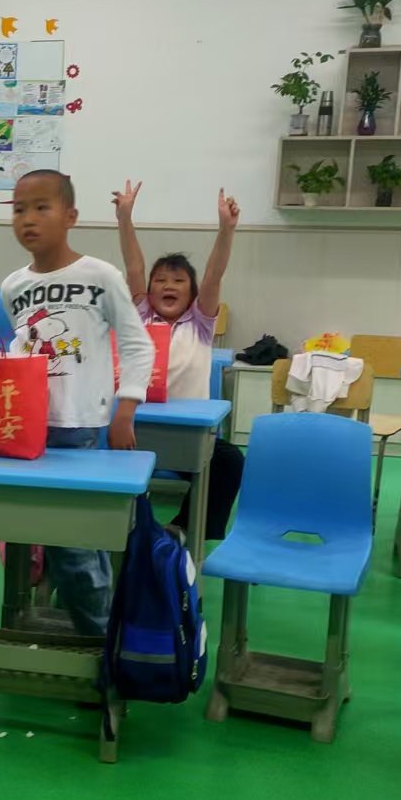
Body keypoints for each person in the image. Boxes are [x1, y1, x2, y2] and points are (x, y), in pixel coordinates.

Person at [0, 169, 155, 637]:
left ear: (71, 216)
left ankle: (100, 646)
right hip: (17, 428)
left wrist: (126, 409)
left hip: (77, 429)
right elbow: (23, 349)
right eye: (19, 209)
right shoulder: (13, 286)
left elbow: (137, 344)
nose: (28, 219)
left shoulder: (100, 276)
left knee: (75, 550)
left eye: (42, 207)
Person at [115, 179, 244, 540]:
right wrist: (125, 218)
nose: (168, 285)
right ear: (149, 290)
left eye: (178, 281)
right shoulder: (141, 318)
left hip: (188, 433)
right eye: (159, 280)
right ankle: (123, 530)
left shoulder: (200, 325)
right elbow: (134, 267)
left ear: (192, 293)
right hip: (137, 427)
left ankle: (184, 528)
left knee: (229, 461)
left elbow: (215, 274)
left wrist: (226, 229)